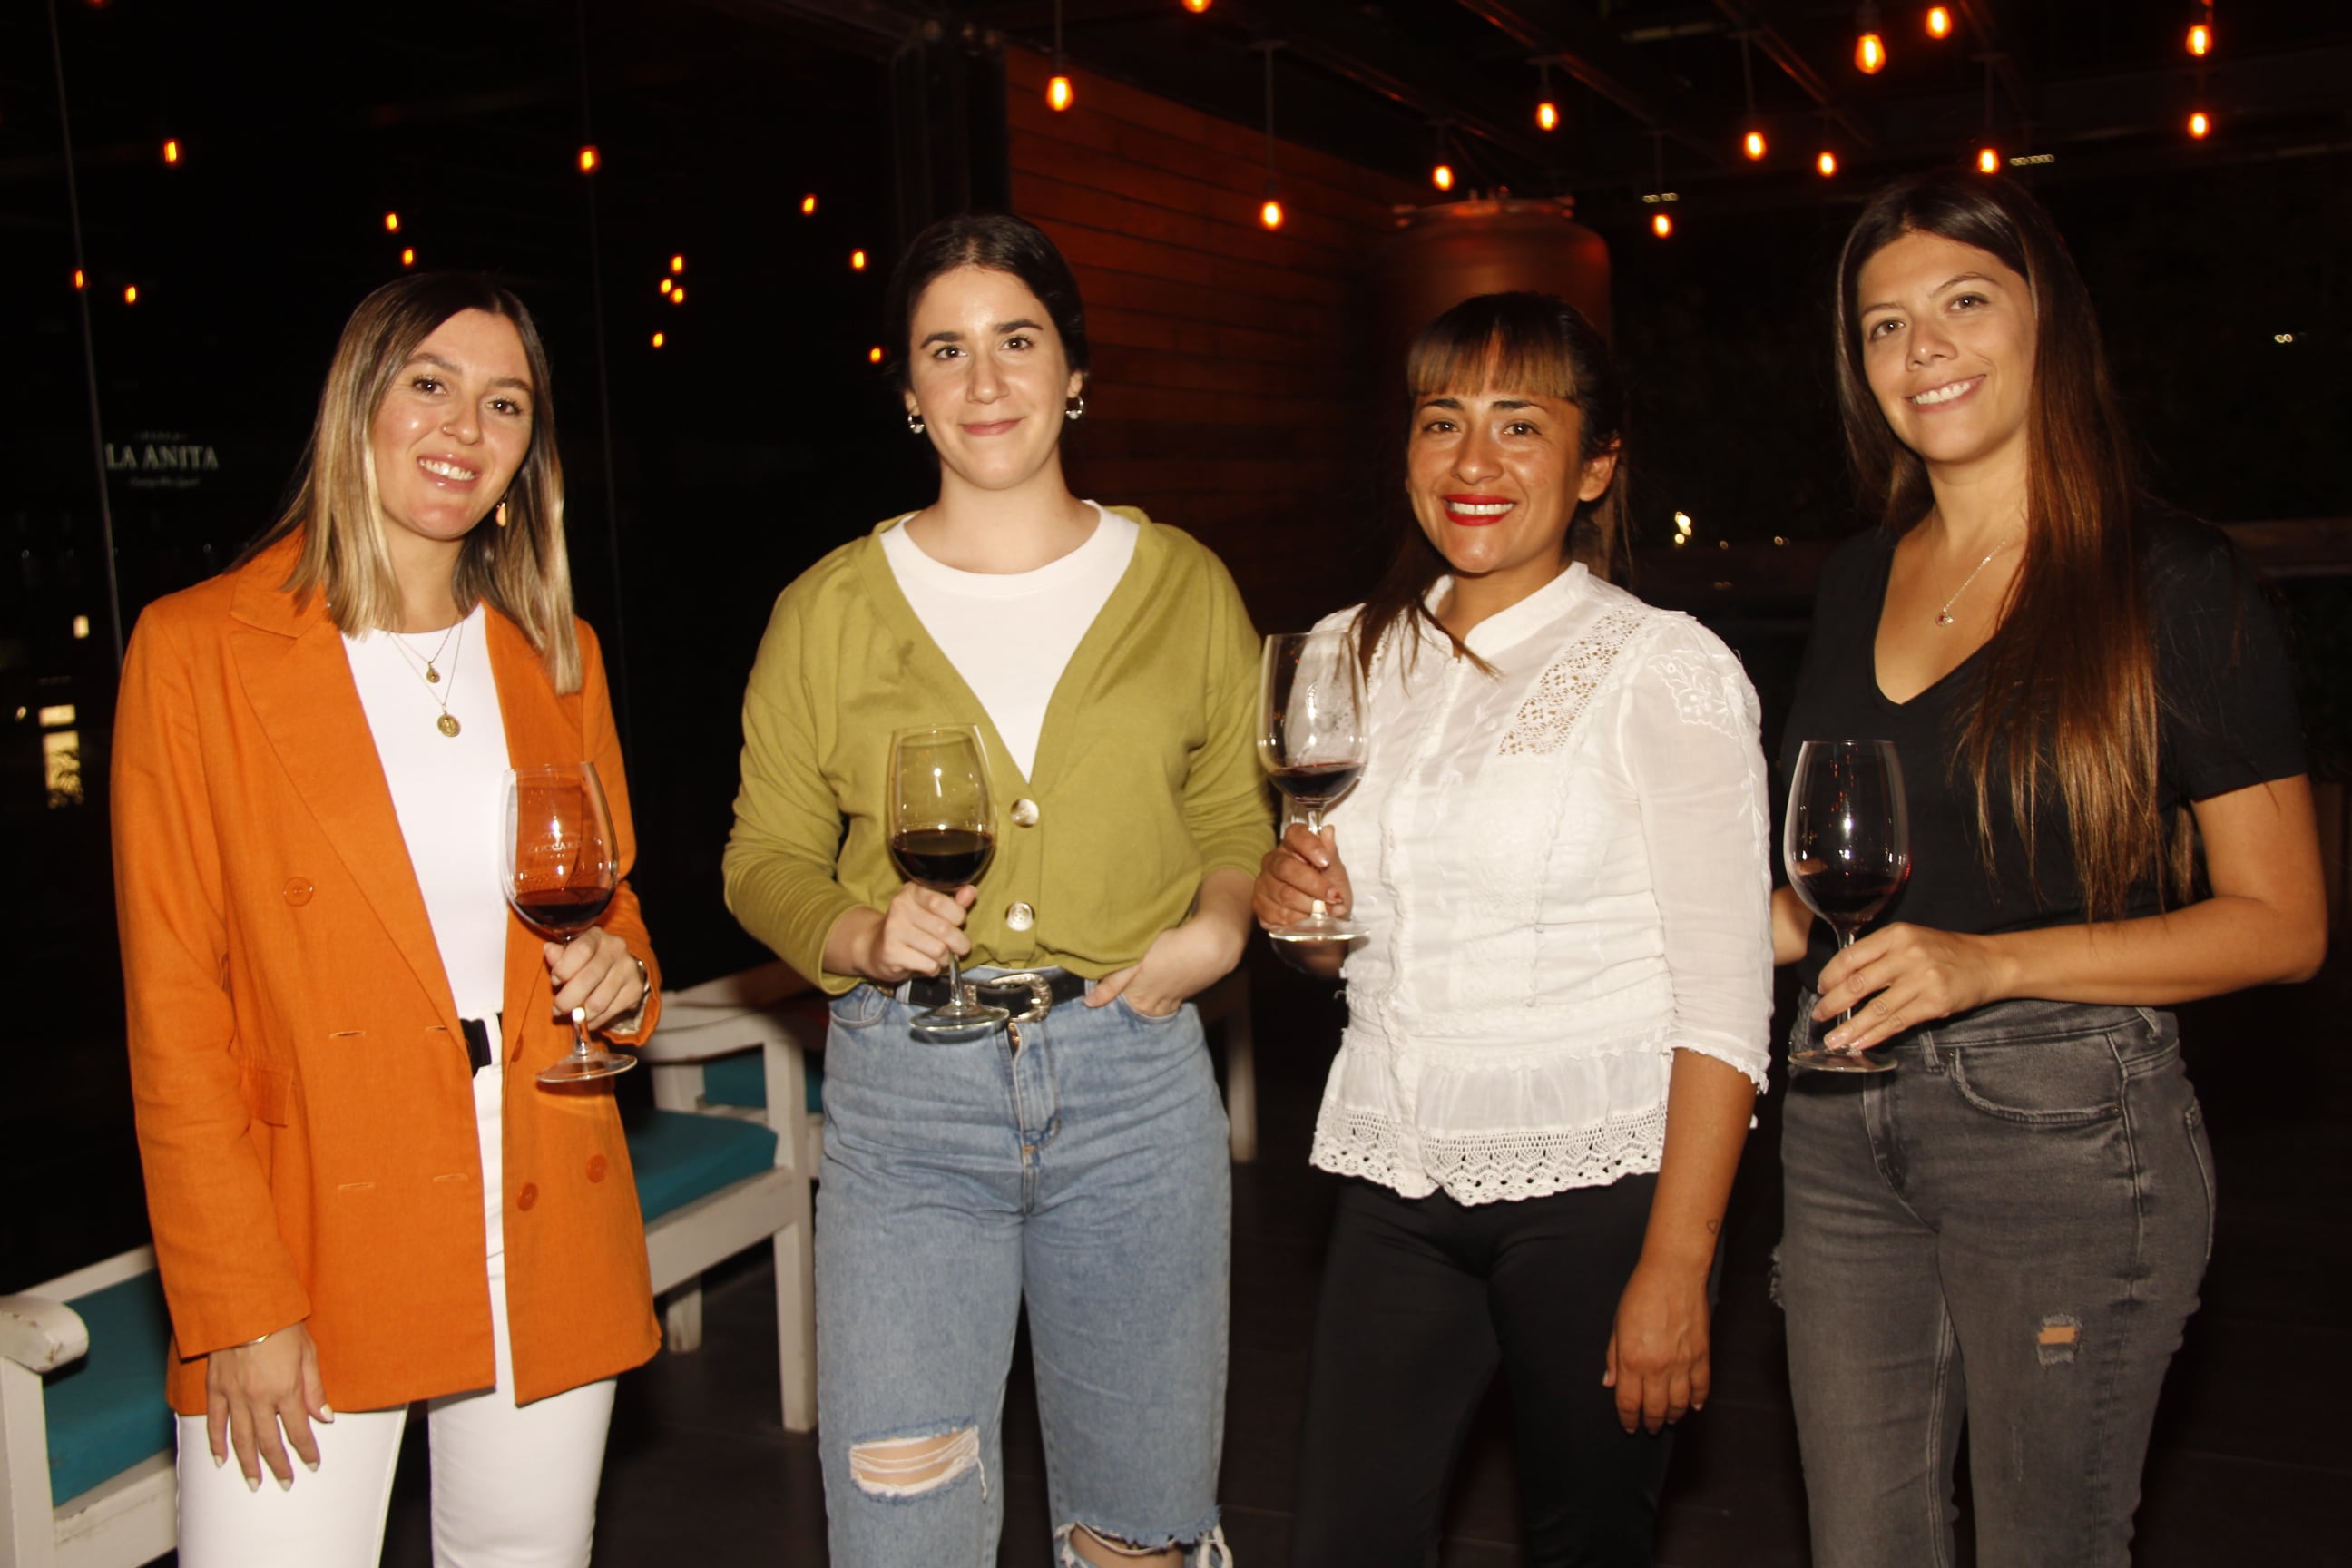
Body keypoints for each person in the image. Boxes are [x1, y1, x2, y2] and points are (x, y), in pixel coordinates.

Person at [1772, 169, 2327, 1566]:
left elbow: (2283, 924)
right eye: (1885, 326)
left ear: (2049, 325)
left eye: (1964, 302)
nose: (1924, 350)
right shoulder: (1856, 577)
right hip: (1840, 1113)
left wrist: (1990, 964)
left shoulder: (2169, 578)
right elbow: (1819, 888)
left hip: (2068, 1126)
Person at [721, 212, 1264, 1568]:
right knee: (902, 1527)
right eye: (944, 350)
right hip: (908, 1109)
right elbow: (761, 855)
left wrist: (1221, 922)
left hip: (1133, 1087)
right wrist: (855, 928)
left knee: (1141, 1530)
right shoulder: (827, 609)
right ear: (907, 392)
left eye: (1016, 341)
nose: (984, 381)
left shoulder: (1185, 585)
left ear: (1073, 370)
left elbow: (1232, 810)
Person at [112, 273, 661, 1567]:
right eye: (430, 385)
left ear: (530, 455)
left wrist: (623, 982)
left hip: (543, 1189)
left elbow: (615, 900)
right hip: (311, 1219)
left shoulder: (555, 652)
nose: (464, 429)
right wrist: (238, 1303)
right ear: (358, 402)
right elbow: (173, 1012)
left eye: (504, 404)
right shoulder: (197, 651)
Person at [1253, 291, 1774, 1566]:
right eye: (1442, 422)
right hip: (1393, 1171)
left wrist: (1677, 1267)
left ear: (1597, 465)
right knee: (1342, 1541)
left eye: (1520, 425)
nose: (1472, 464)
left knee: (1585, 1541)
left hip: (1601, 1184)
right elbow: (1350, 946)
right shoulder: (1343, 653)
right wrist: (1301, 918)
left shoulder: (1665, 666)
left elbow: (1724, 995)